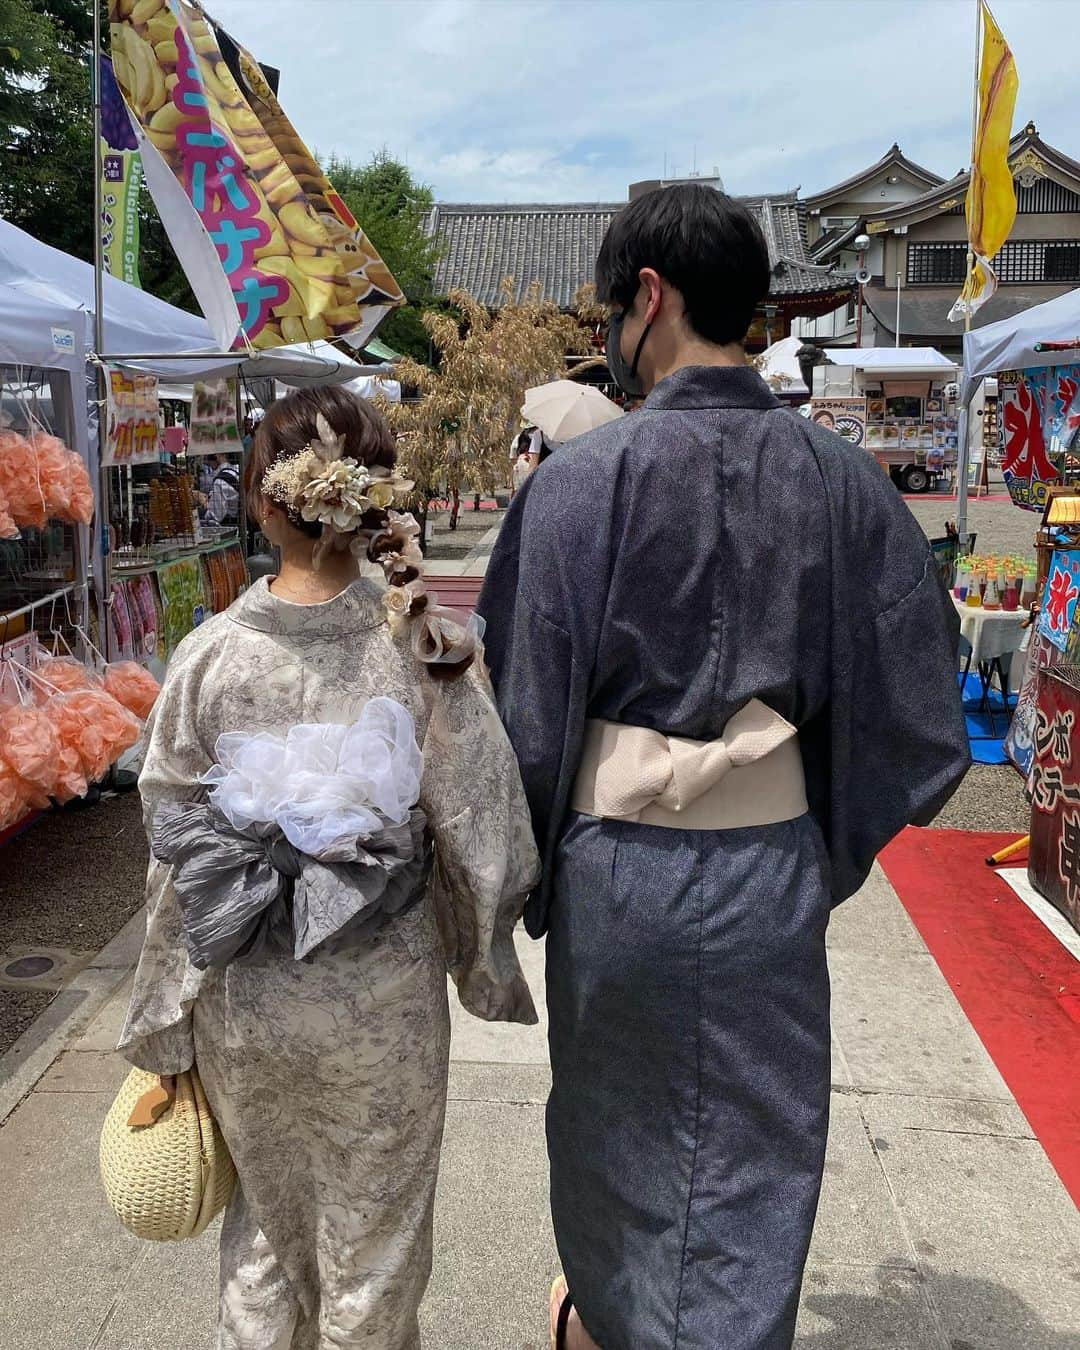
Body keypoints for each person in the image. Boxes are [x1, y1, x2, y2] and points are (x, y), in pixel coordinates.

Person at [477, 184, 969, 1350]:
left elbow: (525, 719)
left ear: (648, 298)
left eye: (610, 308)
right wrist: (818, 841)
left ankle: (600, 1325)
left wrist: (530, 878)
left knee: (615, 1140)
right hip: (766, 877)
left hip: (620, 879)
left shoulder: (576, 489)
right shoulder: (845, 483)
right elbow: (919, 713)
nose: (609, 334)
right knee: (755, 1157)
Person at [118, 385, 539, 1349]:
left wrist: (164, 1015)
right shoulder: (425, 650)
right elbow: (484, 828)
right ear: (374, 500)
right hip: (380, 1002)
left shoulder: (209, 657)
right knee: (375, 1247)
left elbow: (172, 852)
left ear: (264, 503)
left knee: (264, 1236)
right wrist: (478, 955)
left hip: (248, 1002)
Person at [200, 453, 241, 526]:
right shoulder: (238, 470)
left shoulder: (220, 481)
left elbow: (215, 516)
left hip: (231, 526)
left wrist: (204, 505)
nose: (206, 461)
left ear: (218, 455)